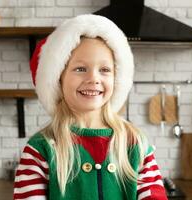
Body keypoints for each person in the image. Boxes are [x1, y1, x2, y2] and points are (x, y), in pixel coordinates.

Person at [13, 14, 167, 200]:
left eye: (104, 70)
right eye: (80, 69)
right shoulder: (40, 149)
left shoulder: (135, 143)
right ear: (58, 79)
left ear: (116, 79)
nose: (94, 78)